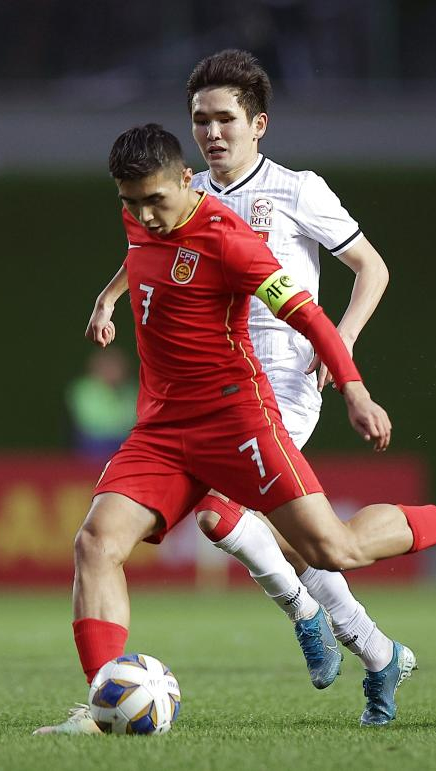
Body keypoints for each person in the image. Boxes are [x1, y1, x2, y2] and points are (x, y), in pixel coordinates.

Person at [37, 124, 436, 735]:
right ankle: (102, 705)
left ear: (187, 180)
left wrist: (355, 390)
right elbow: (142, 254)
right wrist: (107, 297)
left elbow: (309, 316)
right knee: (96, 544)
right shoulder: (142, 216)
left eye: (155, 201)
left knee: (334, 550)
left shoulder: (230, 239)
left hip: (236, 421)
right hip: (162, 429)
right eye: (130, 202)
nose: (144, 216)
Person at [85, 50, 400, 712]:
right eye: (200, 119)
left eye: (225, 118)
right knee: (298, 536)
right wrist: (110, 296)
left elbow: (371, 268)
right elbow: (148, 249)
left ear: (258, 124)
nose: (211, 132)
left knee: (221, 513)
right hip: (206, 383)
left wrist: (343, 345)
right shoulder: (179, 188)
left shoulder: (298, 190)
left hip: (281, 375)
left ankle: (307, 615)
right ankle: (371, 646)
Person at [65, 347, 138, 462]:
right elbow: (92, 421)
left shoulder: (132, 390)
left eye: (116, 366)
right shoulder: (83, 389)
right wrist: (120, 423)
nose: (113, 371)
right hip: (95, 442)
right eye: (108, 366)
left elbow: (137, 419)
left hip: (125, 440)